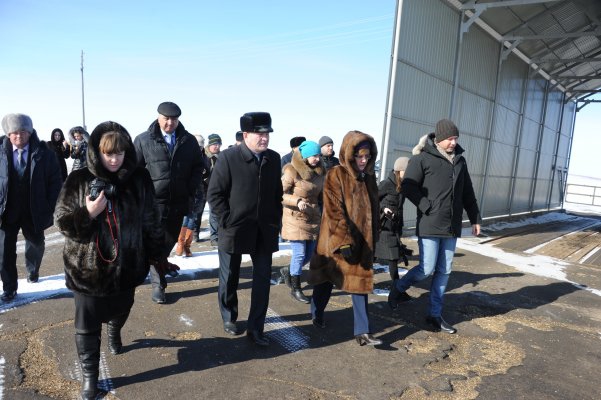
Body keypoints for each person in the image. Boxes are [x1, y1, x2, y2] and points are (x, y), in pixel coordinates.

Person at [54, 121, 176, 400]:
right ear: (97, 152)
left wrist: (157, 255)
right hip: (87, 270)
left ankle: (114, 330)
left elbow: (151, 220)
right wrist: (88, 213)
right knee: (86, 325)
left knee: (122, 308)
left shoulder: (139, 178)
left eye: (119, 153)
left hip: (127, 265)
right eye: (108, 153)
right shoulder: (79, 178)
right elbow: (61, 221)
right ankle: (89, 379)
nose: (114, 159)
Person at [388, 119, 481, 334]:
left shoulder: (460, 161)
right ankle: (399, 287)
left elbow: (468, 192)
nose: (453, 143)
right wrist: (426, 206)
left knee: (444, 270)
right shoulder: (422, 159)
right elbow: (408, 186)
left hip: (451, 226)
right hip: (430, 223)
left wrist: (475, 218)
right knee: (427, 268)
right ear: (438, 139)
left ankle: (434, 314)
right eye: (449, 139)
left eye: (455, 138)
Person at [207, 112, 283, 347]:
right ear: (246, 134)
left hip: (264, 230)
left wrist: (276, 220)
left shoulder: (273, 158)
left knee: (262, 280)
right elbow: (215, 194)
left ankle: (256, 328)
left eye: (267, 134)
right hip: (234, 229)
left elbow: (277, 194)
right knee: (230, 276)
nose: (264, 138)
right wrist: (227, 220)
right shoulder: (228, 158)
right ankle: (229, 316)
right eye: (260, 134)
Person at [308, 131, 382, 346]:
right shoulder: (336, 174)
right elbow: (334, 211)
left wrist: (375, 237)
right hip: (336, 242)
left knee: (359, 284)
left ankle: (363, 332)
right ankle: (316, 311)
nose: (363, 160)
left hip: (363, 242)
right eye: (359, 156)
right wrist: (344, 240)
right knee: (326, 281)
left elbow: (373, 209)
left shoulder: (369, 177)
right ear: (349, 155)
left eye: (367, 156)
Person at [134, 101, 203, 304]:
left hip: (177, 203)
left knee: (168, 241)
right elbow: (134, 170)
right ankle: (158, 285)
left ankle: (160, 267)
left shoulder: (188, 141)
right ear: (158, 117)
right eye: (166, 118)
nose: (169, 123)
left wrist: (190, 188)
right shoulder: (143, 140)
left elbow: (198, 166)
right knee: (154, 243)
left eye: (173, 119)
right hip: (152, 204)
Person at [0, 114, 62, 302]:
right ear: (8, 134)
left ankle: (32, 271)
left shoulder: (44, 153)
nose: (19, 136)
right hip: (6, 211)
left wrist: (49, 206)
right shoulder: (1, 153)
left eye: (23, 131)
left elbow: (55, 182)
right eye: (15, 132)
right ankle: (9, 288)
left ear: (30, 132)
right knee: (3, 251)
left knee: (36, 244)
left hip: (34, 209)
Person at [280, 140, 324, 303]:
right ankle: (296, 288)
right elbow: (278, 194)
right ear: (305, 156)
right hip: (295, 217)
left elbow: (322, 194)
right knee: (299, 254)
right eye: (314, 155)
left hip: (312, 217)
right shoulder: (291, 170)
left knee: (309, 254)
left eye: (318, 155)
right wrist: (296, 201)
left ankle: (288, 270)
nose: (317, 159)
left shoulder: (320, 172)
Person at [374, 156, 413, 285]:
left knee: (393, 258)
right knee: (382, 256)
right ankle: (364, 281)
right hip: (383, 227)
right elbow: (372, 199)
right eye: (407, 171)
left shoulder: (404, 185)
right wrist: (383, 208)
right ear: (399, 170)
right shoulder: (387, 184)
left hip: (395, 226)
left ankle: (396, 288)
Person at [205, 133, 222, 247]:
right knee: (212, 213)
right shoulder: (204, 156)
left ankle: (217, 236)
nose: (217, 146)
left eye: (218, 144)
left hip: (219, 188)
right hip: (205, 188)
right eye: (214, 144)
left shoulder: (222, 156)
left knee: (217, 212)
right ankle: (214, 237)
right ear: (209, 145)